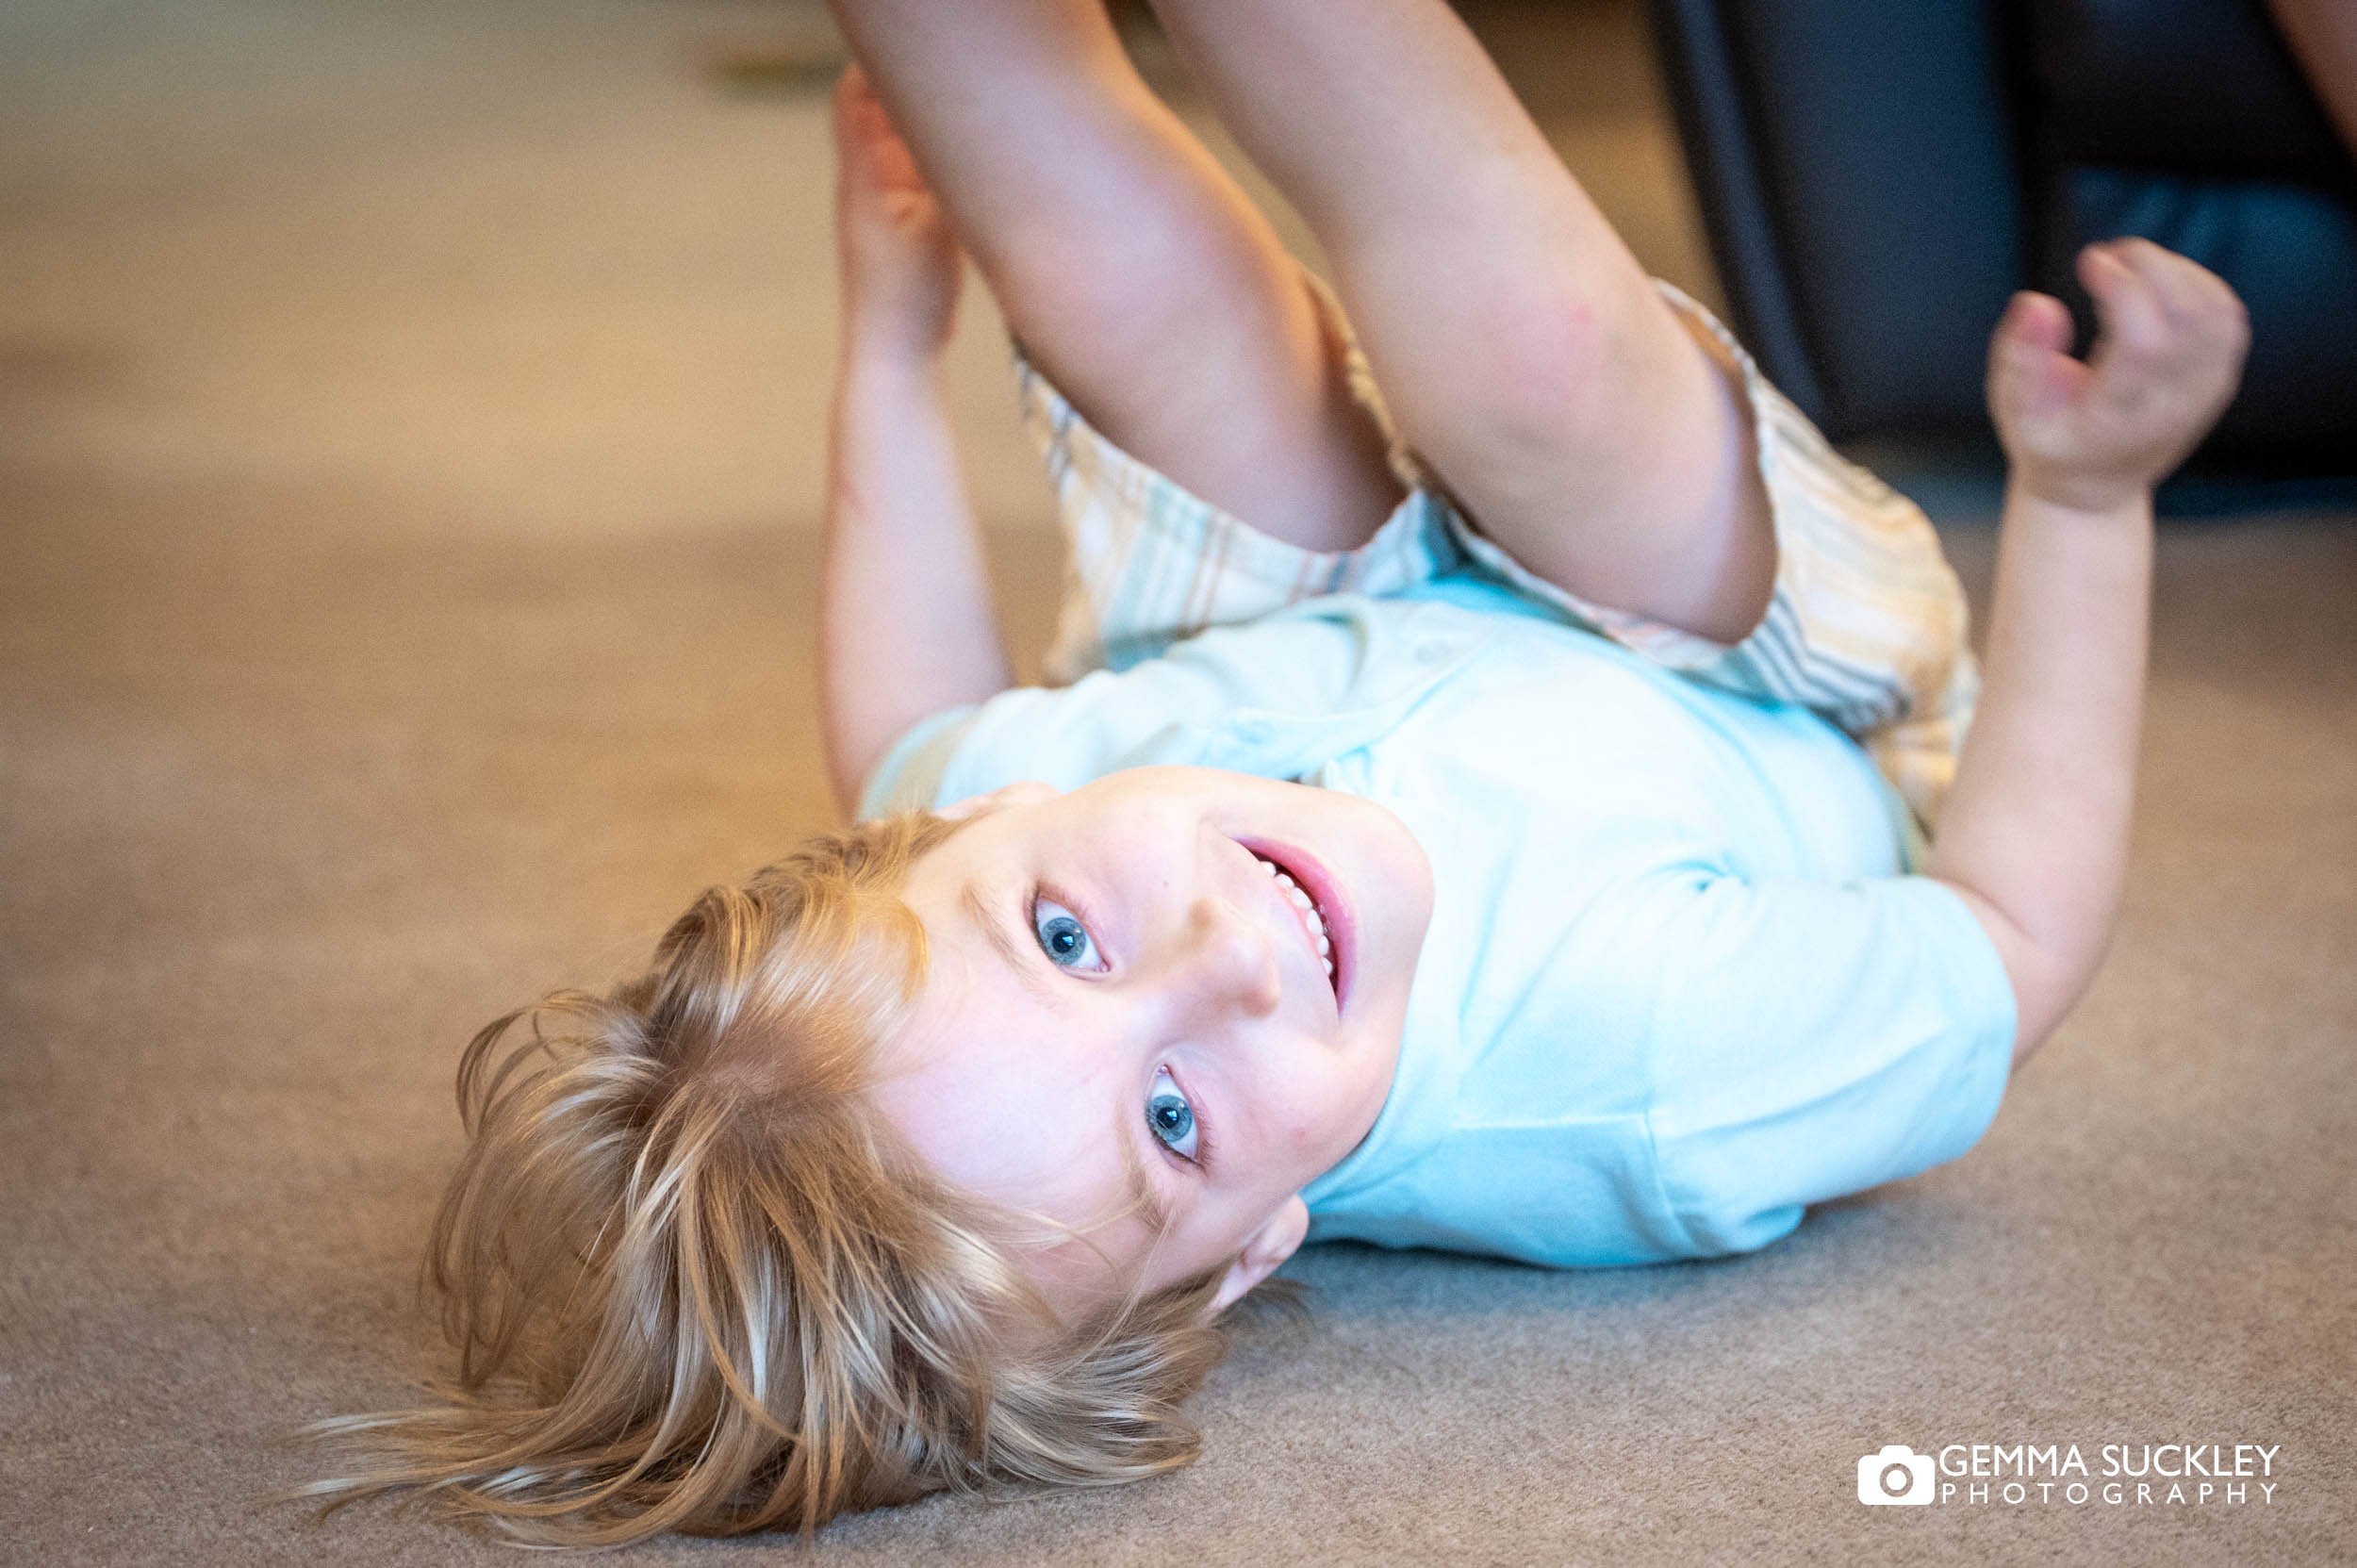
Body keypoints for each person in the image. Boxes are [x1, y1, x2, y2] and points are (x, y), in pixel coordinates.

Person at [302, 0, 2249, 1544]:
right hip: (1737, 668)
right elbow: (2000, 932)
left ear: (953, 835)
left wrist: (890, 344)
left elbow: (895, 722)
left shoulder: (1019, 785)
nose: (1227, 959)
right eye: (1171, 1121)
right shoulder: (1648, 1075)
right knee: (1539, 367)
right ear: (1245, 1256)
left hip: (1286, 632)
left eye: (1059, 931)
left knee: (1100, 252)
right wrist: (2089, 505)